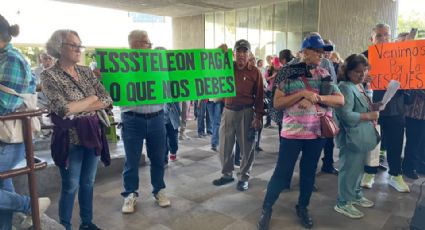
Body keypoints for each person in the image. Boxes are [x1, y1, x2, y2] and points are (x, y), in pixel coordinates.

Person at [257, 33, 344, 229]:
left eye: (323, 52)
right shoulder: (286, 73)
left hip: (316, 134)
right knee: (282, 172)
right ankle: (267, 208)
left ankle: (303, 207)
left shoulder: (324, 74)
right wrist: (302, 94)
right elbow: (278, 103)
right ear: (305, 52)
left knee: (308, 173)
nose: (321, 55)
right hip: (292, 134)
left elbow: (340, 100)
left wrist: (316, 98)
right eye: (317, 51)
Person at [41, 29, 112, 230]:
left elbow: (107, 99)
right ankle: (64, 226)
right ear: (58, 47)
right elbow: (63, 109)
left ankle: (87, 223)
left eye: (79, 44)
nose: (78, 49)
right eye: (73, 45)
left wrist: (78, 105)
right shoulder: (49, 76)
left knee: (88, 183)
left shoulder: (86, 72)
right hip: (70, 139)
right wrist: (91, 99)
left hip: (93, 134)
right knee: (70, 186)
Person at [0, 14, 51, 230]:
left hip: (10, 139)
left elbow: (6, 104)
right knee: (3, 181)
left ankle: (30, 205)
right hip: (4, 136)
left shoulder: (12, 59)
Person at [120, 30, 170, 215]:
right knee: (131, 160)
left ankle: (159, 190)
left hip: (157, 118)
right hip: (132, 119)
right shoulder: (120, 65)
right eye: (147, 43)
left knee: (157, 158)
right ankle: (130, 194)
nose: (150, 46)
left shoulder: (159, 64)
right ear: (136, 44)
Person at [360, 23, 410, 192]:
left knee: (396, 142)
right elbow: (348, 79)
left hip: (396, 108)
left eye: (386, 35)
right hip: (371, 107)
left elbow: (410, 78)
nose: (383, 39)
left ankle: (395, 175)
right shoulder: (363, 58)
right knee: (372, 142)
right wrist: (361, 78)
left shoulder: (400, 55)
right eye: (379, 35)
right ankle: (369, 172)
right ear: (371, 39)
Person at [212, 39, 264, 191]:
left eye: (245, 51)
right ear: (233, 53)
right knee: (224, 147)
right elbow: (211, 66)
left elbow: (260, 96)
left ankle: (243, 177)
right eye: (238, 51)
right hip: (227, 111)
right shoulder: (227, 67)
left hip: (246, 112)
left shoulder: (255, 72)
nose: (241, 54)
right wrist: (220, 53)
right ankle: (227, 174)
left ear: (249, 54)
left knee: (247, 148)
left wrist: (258, 117)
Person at [334, 54, 380, 219]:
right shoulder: (345, 86)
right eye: (357, 71)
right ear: (347, 71)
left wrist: (374, 106)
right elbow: (346, 114)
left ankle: (355, 194)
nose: (362, 74)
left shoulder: (359, 85)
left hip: (360, 134)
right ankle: (343, 202)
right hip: (351, 135)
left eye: (365, 70)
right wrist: (369, 116)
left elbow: (360, 108)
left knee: (358, 168)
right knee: (349, 169)